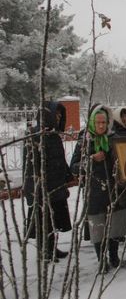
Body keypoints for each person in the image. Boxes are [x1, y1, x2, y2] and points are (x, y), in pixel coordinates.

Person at [70, 104, 126, 271]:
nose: (101, 126)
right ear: (92, 123)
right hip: (93, 192)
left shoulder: (113, 138)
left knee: (115, 226)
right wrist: (91, 159)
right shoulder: (85, 140)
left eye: (104, 122)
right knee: (98, 228)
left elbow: (125, 159)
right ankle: (101, 260)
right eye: (98, 122)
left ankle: (115, 256)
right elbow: (73, 166)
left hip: (113, 189)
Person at [23, 101, 72, 262]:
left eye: (59, 115)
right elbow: (30, 166)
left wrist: (68, 176)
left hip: (56, 185)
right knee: (44, 221)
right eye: (55, 115)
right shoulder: (34, 136)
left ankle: (52, 248)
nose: (58, 118)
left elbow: (60, 159)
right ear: (47, 115)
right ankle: (45, 252)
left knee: (54, 220)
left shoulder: (53, 135)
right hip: (43, 188)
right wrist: (35, 188)